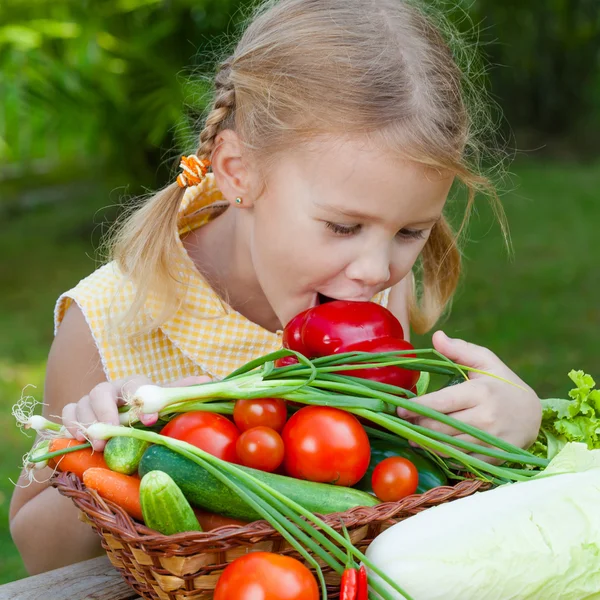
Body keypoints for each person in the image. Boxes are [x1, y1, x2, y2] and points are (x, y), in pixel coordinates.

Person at [9, 0, 541, 575]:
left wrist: (512, 422)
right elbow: (39, 553)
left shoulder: (372, 291)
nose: (376, 268)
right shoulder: (109, 318)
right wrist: (106, 452)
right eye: (343, 226)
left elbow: (387, 462)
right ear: (239, 173)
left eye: (411, 231)